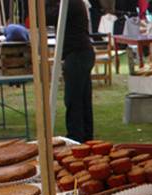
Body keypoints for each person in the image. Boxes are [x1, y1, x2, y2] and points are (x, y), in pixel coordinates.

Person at [48, 0, 95, 143]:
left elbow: (47, 17)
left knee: (74, 99)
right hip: (80, 53)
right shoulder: (71, 3)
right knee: (82, 99)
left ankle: (76, 136)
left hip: (77, 54)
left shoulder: (69, 3)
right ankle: (85, 136)